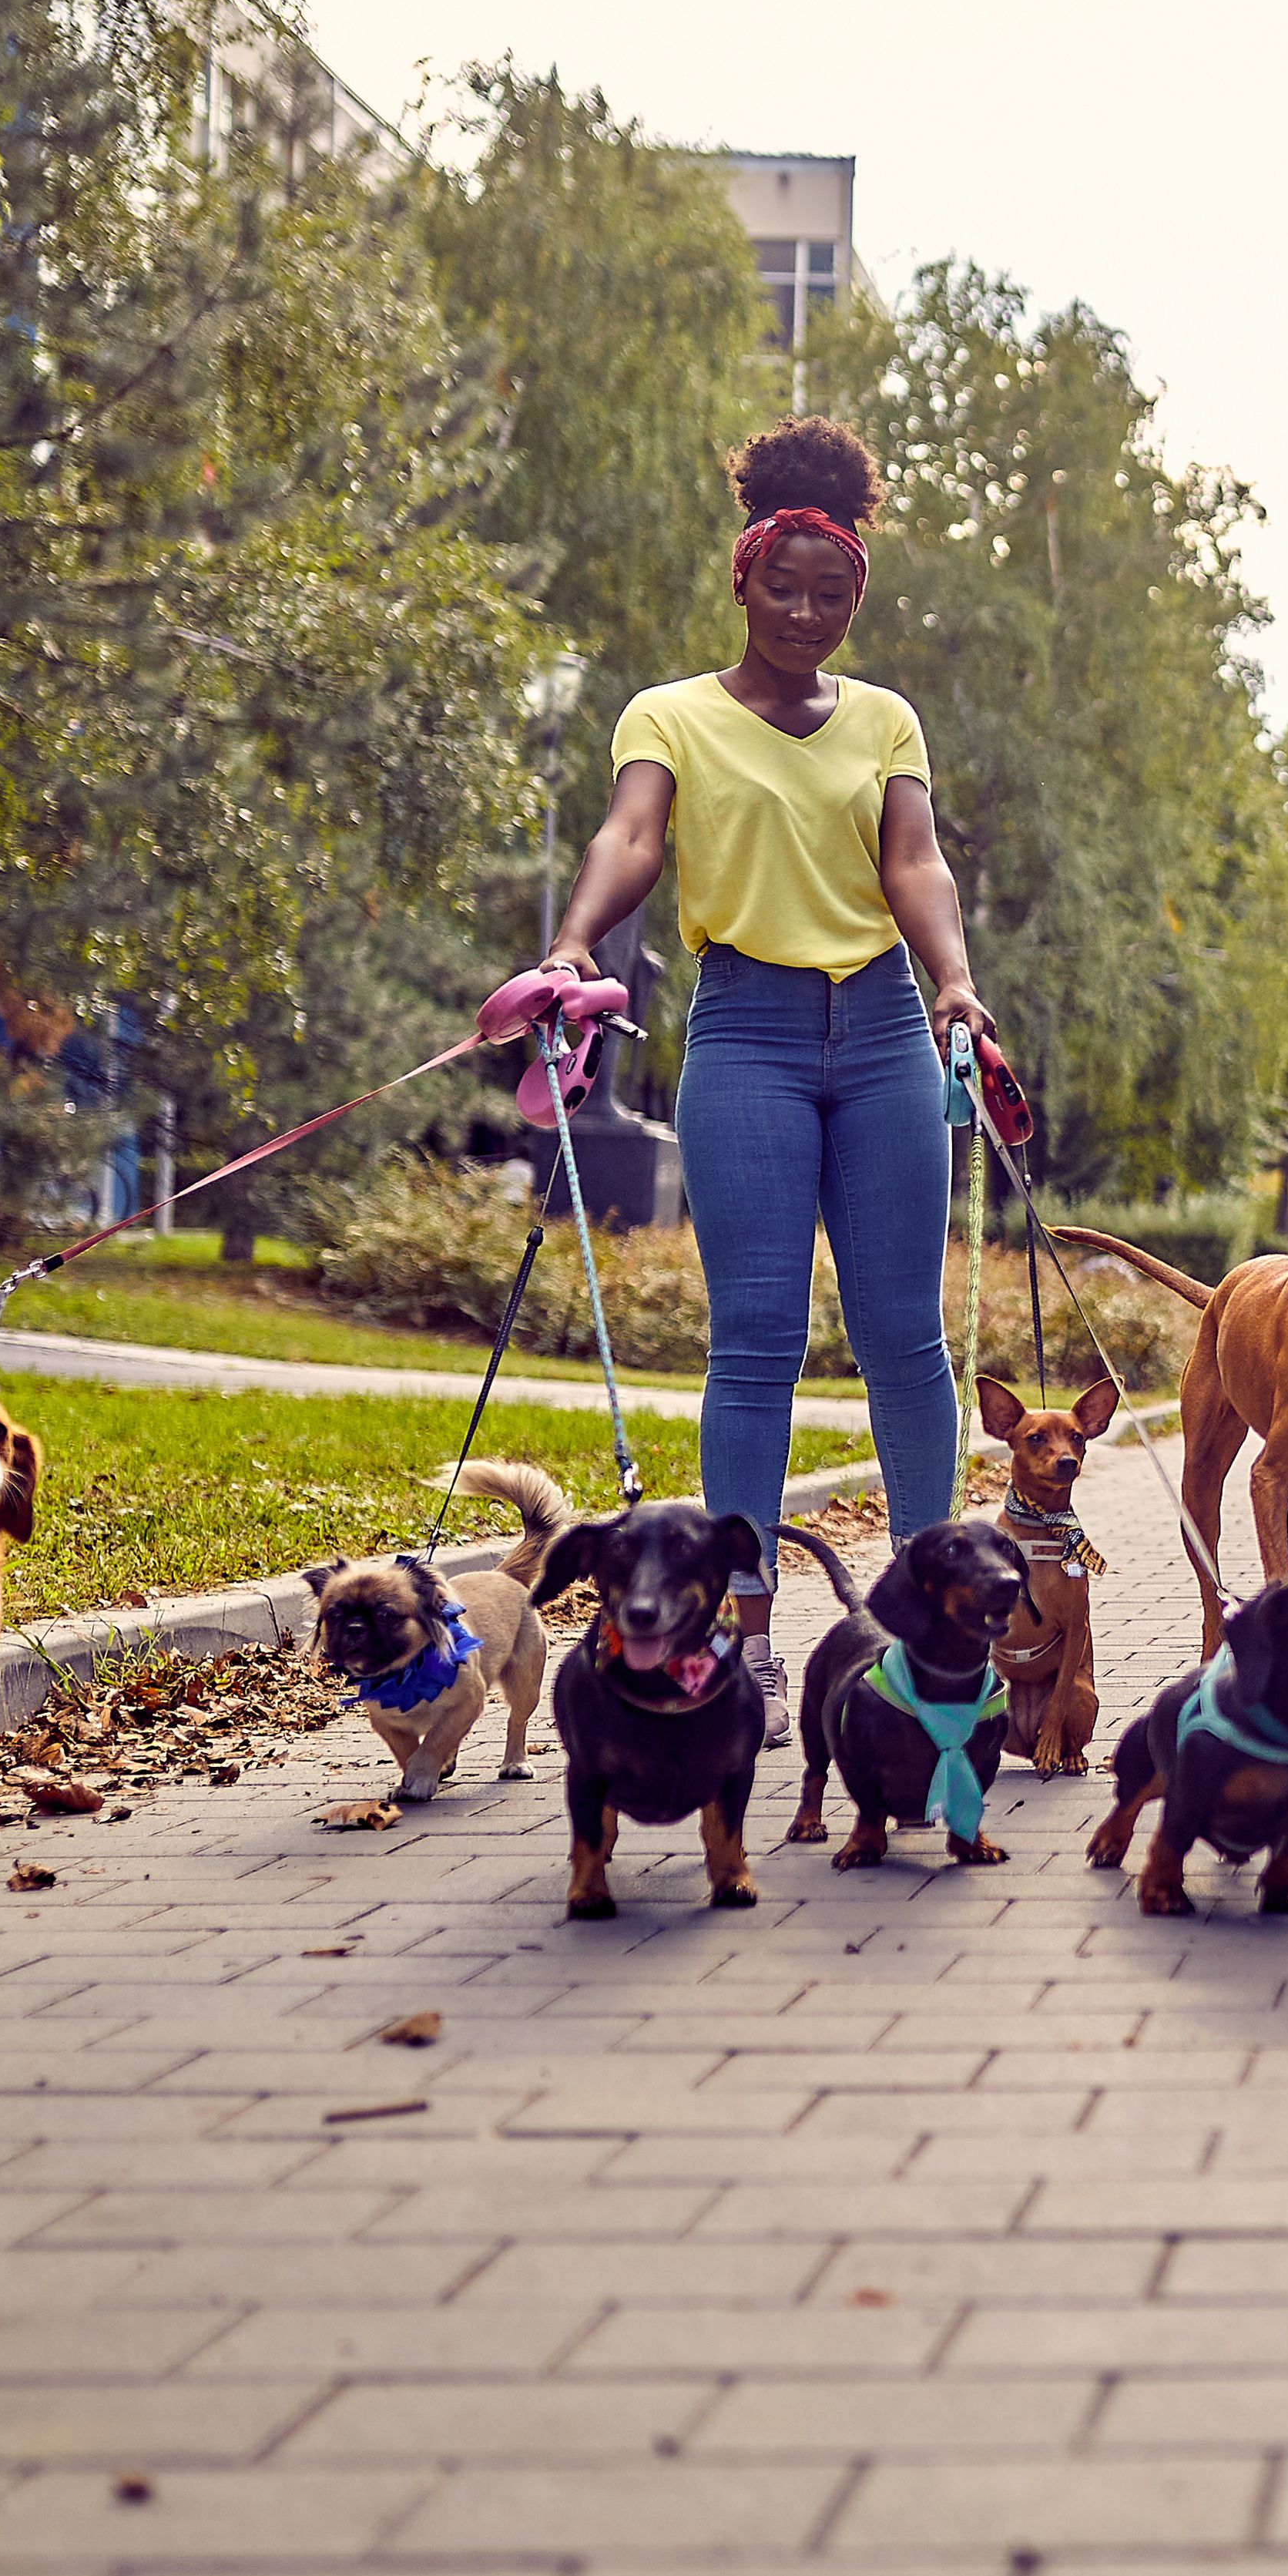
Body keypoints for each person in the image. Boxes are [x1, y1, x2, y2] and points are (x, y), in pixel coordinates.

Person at [536, 415, 993, 1746]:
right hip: (746, 1034)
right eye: (783, 587)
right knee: (758, 1343)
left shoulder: (887, 721)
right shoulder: (668, 714)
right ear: (743, 578)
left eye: (831, 594)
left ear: (857, 594)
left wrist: (953, 978)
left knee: (907, 1338)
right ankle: (747, 1640)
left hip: (890, 1031)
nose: (805, 611)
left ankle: (930, 1624)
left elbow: (916, 865)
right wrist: (575, 941)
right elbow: (630, 833)